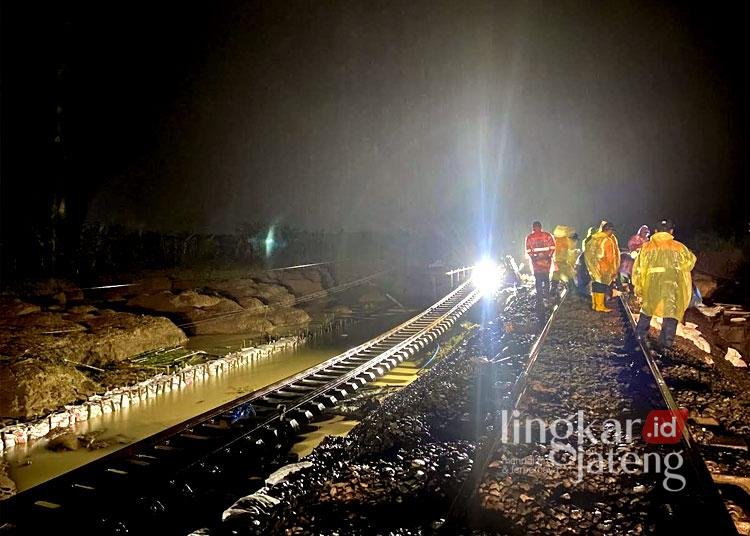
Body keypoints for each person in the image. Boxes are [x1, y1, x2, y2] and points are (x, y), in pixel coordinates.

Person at [632, 219, 696, 349]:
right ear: (671, 231)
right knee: (671, 313)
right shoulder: (679, 247)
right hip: (672, 286)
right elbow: (689, 264)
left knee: (647, 309)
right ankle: (665, 344)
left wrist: (638, 287)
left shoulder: (646, 247)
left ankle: (639, 336)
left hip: (651, 285)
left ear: (655, 231)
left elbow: (638, 270)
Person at [584, 221, 620, 312]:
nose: (612, 233)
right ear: (609, 230)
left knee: (595, 284)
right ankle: (600, 306)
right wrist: (613, 268)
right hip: (604, 266)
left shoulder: (593, 239)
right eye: (612, 230)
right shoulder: (607, 240)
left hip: (593, 267)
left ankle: (595, 305)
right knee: (601, 285)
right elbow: (610, 257)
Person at [525, 221, 555, 302]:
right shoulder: (547, 235)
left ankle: (539, 297)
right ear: (541, 227)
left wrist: (533, 257)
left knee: (538, 279)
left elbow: (528, 250)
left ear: (533, 228)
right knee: (546, 279)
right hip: (546, 262)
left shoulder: (529, 237)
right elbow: (552, 247)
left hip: (536, 263)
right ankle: (547, 296)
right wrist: (549, 256)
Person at [551, 225, 578, 296]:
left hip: (557, 261)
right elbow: (569, 251)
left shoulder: (557, 240)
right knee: (569, 275)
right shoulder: (566, 240)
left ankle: (553, 291)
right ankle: (573, 290)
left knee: (556, 275)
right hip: (562, 261)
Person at [575, 226, 597, 295]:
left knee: (582, 279)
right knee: (589, 279)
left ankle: (583, 294)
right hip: (587, 262)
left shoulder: (585, 240)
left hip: (581, 260)